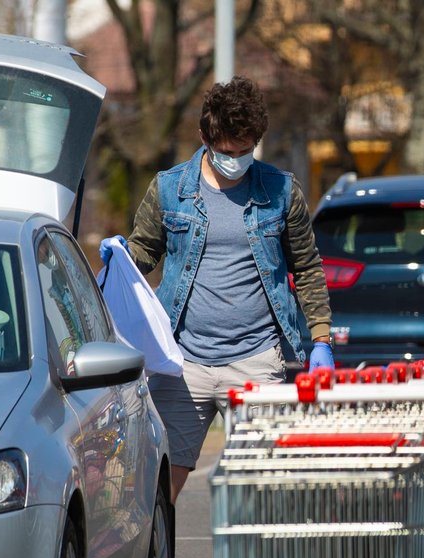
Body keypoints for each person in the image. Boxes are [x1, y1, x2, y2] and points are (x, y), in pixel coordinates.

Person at [100, 76, 333, 502]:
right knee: (158, 483)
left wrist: (320, 340)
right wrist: (118, 260)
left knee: (267, 488)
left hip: (257, 359)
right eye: (227, 151)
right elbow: (145, 252)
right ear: (205, 137)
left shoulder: (281, 191)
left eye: (246, 150)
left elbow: (308, 267)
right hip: (183, 361)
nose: (236, 159)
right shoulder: (170, 189)